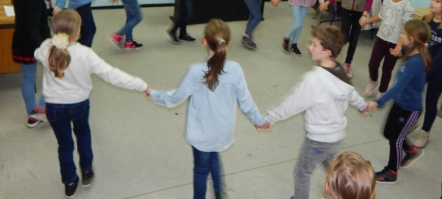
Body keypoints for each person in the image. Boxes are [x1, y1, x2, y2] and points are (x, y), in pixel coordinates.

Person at [145, 19, 267, 199]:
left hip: (202, 134)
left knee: (201, 169)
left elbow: (174, 98)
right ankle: (220, 193)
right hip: (222, 132)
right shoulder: (236, 69)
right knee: (214, 155)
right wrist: (259, 121)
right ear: (229, 43)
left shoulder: (196, 72)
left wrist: (154, 94)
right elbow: (246, 102)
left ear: (204, 41)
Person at [34, 10, 148, 199]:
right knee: (83, 134)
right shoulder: (85, 53)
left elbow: (37, 53)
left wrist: (47, 47)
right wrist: (141, 84)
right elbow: (112, 74)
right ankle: (87, 171)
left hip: (53, 107)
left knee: (64, 145)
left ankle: (69, 181)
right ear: (77, 31)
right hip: (78, 105)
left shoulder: (46, 47)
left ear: (53, 30)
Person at [264, 25, 368, 199]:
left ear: (326, 52)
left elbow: (292, 103)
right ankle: (343, 193)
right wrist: (363, 106)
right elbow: (352, 94)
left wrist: (270, 118)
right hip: (337, 137)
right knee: (333, 168)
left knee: (302, 173)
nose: (308, 46)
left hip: (319, 140)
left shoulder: (314, 79)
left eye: (313, 44)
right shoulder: (340, 70)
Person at [363, 20, 432, 184]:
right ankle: (411, 150)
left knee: (396, 139)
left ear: (413, 39)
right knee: (388, 132)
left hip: (410, 109)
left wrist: (378, 102)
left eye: (403, 34)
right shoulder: (411, 53)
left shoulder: (415, 62)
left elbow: (398, 88)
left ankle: (391, 172)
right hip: (400, 104)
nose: (401, 36)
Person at [412, 0, 442, 148]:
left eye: (437, 1)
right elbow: (423, 43)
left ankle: (425, 132)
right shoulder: (427, 19)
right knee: (413, 95)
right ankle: (411, 121)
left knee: (431, 101)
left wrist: (427, 70)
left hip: (440, 72)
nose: (432, 2)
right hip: (425, 66)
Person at [319, 0, 375, 78]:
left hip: (359, 13)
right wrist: (328, 2)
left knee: (354, 40)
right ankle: (332, 58)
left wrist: (365, 14)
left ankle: (348, 63)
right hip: (346, 9)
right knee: (343, 36)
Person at [11, 0, 51, 127]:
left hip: (21, 42)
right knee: (51, 76)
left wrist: (47, 11)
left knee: (28, 79)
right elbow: (33, 25)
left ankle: (31, 113)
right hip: (35, 44)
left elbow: (31, 16)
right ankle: (40, 109)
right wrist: (43, 49)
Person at [360, 0, 414, 98]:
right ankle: (373, 81)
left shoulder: (407, 6)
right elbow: (381, 15)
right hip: (381, 38)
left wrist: (399, 46)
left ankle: (382, 91)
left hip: (395, 42)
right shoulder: (388, 0)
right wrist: (367, 21)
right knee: (372, 64)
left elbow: (406, 28)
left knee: (387, 69)